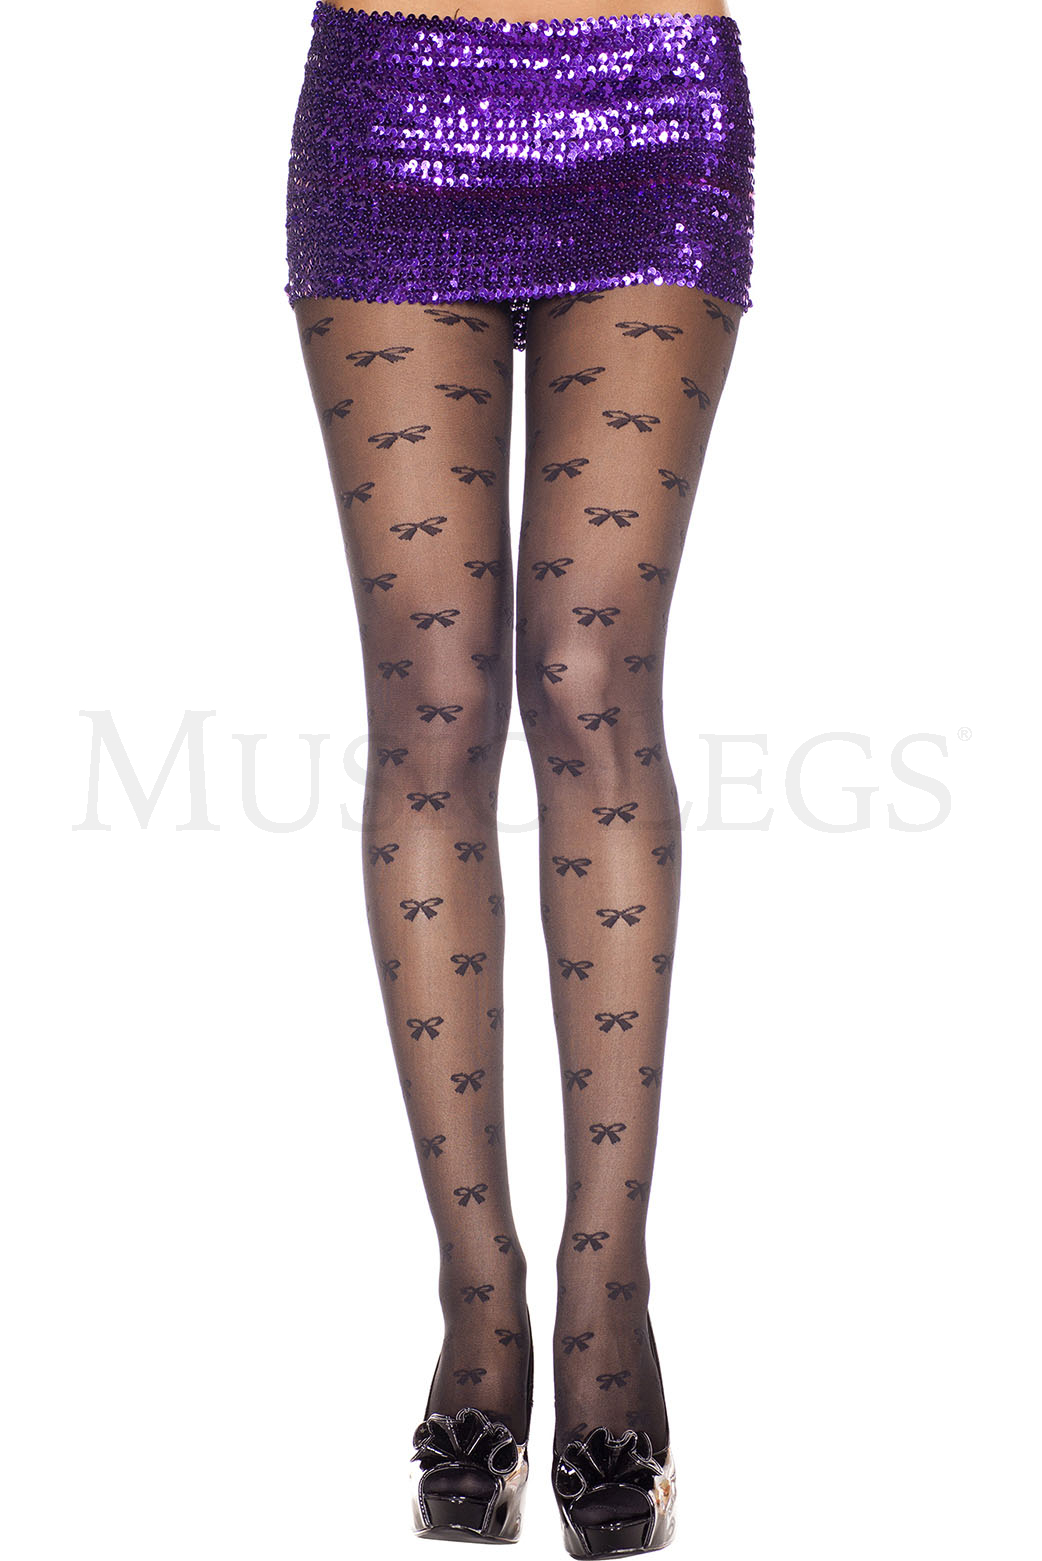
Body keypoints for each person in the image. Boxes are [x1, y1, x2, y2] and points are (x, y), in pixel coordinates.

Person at [284, 1, 755, 1549]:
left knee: (586, 676)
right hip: (392, 100)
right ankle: (476, 1294)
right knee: (430, 703)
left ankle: (603, 1295)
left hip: (651, 95)